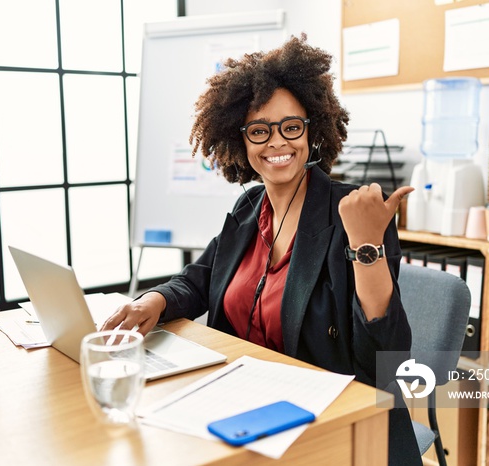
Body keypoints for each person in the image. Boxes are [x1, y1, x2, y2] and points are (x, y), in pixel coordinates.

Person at [102, 34, 420, 465]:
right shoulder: (249, 207)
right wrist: (155, 300)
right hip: (244, 405)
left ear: (312, 130)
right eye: (259, 130)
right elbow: (201, 278)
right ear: (240, 140)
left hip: (329, 424)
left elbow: (387, 356)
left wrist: (367, 245)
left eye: (291, 126)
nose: (277, 143)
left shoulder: (352, 214)